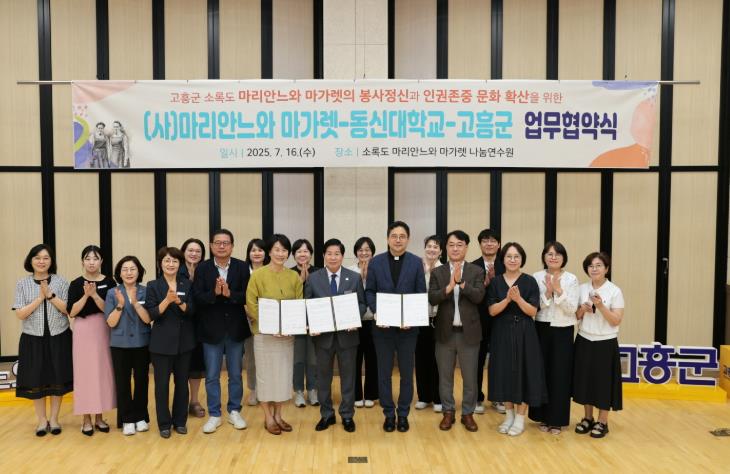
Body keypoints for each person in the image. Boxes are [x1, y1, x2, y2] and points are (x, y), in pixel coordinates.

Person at [365, 221, 427, 433]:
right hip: (382, 329)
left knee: (407, 374)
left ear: (408, 239)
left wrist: (413, 317)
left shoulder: (416, 262)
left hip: (408, 330)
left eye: (402, 236)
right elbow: (370, 291)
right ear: (387, 238)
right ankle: (388, 414)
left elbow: (420, 293)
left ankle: (403, 414)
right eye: (394, 236)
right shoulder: (375, 262)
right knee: (384, 373)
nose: (398, 240)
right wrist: (377, 312)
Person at [192, 229, 250, 434]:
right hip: (211, 330)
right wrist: (215, 293)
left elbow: (247, 295)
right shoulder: (203, 268)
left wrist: (229, 293)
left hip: (235, 329)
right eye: (218, 243)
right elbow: (197, 297)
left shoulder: (242, 267)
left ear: (232, 246)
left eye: (226, 243)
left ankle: (234, 411)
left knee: (235, 374)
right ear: (211, 246)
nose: (222, 246)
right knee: (212, 375)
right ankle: (214, 414)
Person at [306, 239, 367, 433]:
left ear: (342, 256)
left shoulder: (354, 278)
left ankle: (347, 415)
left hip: (347, 337)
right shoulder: (313, 278)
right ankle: (327, 414)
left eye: (337, 254)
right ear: (324, 256)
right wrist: (311, 324)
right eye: (329, 253)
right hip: (322, 337)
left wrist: (354, 318)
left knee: (348, 378)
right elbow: (307, 305)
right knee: (323, 379)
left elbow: (362, 304)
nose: (333, 257)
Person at [487, 242, 547, 436]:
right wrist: (507, 299)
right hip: (501, 331)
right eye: (509, 256)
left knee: (524, 371)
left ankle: (520, 418)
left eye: (516, 256)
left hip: (524, 331)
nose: (512, 260)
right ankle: (509, 416)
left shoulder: (529, 281)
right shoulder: (496, 282)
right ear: (503, 259)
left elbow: (532, 311)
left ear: (522, 259)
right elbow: (492, 311)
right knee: (504, 372)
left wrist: (519, 299)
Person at [428, 231, 485, 432]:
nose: (455, 248)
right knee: (445, 377)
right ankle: (448, 412)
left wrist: (462, 283)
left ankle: (468, 413)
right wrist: (450, 286)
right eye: (451, 245)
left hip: (469, 333)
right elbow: (432, 298)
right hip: (445, 333)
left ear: (466, 247)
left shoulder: (476, 271)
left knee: (470, 377)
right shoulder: (438, 272)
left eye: (459, 245)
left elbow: (479, 297)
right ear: (446, 248)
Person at [246, 234, 303, 435]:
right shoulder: (257, 275)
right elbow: (251, 304)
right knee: (265, 376)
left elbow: (298, 304)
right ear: (269, 252)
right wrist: (270, 326)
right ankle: (268, 417)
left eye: (284, 250)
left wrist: (288, 326)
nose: (281, 254)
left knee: (283, 375)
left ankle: (279, 415)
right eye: (277, 249)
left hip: (286, 336)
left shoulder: (294, 276)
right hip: (264, 334)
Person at [13, 244, 71, 436]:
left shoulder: (61, 282)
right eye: (37, 257)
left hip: (59, 337)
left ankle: (54, 419)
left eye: (46, 258)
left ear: (51, 261)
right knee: (36, 379)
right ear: (30, 261)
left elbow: (68, 310)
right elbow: (20, 314)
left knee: (57, 378)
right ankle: (41, 420)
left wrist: (50, 295)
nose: (41, 261)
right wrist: (40, 298)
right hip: (33, 339)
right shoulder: (22, 284)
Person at [529, 241, 579, 435]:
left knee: (560, 374)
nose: (553, 257)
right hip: (541, 327)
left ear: (563, 257)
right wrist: (548, 293)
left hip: (563, 329)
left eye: (557, 254)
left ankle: (557, 420)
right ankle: (542, 416)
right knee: (542, 372)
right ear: (544, 257)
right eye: (549, 254)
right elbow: (535, 307)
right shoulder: (536, 277)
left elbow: (572, 309)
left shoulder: (571, 279)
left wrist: (558, 290)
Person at [573, 252, 625, 439]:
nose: (594, 269)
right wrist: (583, 309)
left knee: (604, 383)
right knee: (585, 381)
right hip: (584, 339)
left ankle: (603, 421)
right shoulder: (581, 288)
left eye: (598, 265)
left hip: (606, 342)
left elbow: (616, 320)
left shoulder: (614, 291)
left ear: (606, 269)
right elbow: (575, 317)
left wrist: (601, 306)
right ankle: (588, 418)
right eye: (591, 266)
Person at [145, 247, 196, 438]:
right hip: (161, 344)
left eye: (175, 261)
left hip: (184, 343)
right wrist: (167, 300)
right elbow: (151, 314)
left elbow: (193, 310)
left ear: (179, 264)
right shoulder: (153, 285)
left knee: (182, 384)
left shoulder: (187, 284)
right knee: (162, 386)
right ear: (160, 264)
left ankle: (180, 421)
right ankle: (164, 424)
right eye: (167, 260)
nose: (171, 264)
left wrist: (180, 303)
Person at [67, 245, 116, 436]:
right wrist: (86, 295)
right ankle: (86, 419)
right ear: (82, 261)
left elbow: (110, 309)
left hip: (103, 328)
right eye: (87, 258)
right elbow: (72, 311)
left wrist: (94, 295)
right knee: (84, 373)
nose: (91, 262)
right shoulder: (76, 283)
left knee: (101, 372)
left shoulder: (109, 282)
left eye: (95, 258)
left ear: (101, 261)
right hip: (83, 328)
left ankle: (99, 417)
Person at [105, 256, 152, 436]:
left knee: (142, 381)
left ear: (139, 272)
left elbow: (148, 319)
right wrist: (120, 305)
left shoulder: (146, 291)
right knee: (122, 382)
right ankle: (127, 419)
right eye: (125, 269)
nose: (129, 272)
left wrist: (135, 303)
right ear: (119, 273)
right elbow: (110, 322)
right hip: (120, 345)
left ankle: (140, 417)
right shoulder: (112, 293)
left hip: (142, 343)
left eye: (133, 269)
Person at [471, 228, 505, 415]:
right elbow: (470, 296)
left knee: (499, 359)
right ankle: (477, 397)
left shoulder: (506, 265)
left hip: (500, 320)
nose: (489, 244)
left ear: (498, 245)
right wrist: (484, 284)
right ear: (480, 244)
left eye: (493, 241)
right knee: (477, 359)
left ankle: (498, 397)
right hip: (478, 320)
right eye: (485, 240)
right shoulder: (472, 266)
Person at [347, 237, 378, 409]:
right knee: (355, 359)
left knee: (373, 358)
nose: (364, 253)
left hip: (373, 321)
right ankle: (356, 394)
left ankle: (371, 394)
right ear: (356, 252)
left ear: (372, 252)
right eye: (360, 250)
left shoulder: (378, 269)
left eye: (367, 250)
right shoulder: (350, 271)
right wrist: (361, 278)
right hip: (354, 322)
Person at [290, 238, 320, 407]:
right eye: (299, 251)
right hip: (295, 322)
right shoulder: (288, 273)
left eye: (306, 251)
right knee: (298, 359)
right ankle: (299, 391)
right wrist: (300, 282)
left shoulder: (319, 272)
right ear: (294, 255)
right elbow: (288, 298)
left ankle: (313, 389)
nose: (302, 254)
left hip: (316, 322)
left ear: (311, 254)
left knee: (313, 358)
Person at [415, 235, 443, 412]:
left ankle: (438, 397)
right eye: (429, 246)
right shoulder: (417, 268)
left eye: (435, 247)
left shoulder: (444, 269)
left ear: (440, 251)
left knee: (438, 359)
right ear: (424, 248)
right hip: (420, 318)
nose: (432, 249)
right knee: (421, 358)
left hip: (439, 319)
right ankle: (423, 397)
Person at [180, 238, 206, 418]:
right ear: (183, 252)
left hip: (199, 324)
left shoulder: (206, 270)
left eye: (198, 251)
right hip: (180, 324)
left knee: (196, 365)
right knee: (181, 366)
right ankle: (181, 401)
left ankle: (194, 401)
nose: (194, 254)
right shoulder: (175, 269)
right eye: (190, 250)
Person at [243, 238, 269, 406]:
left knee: (268, 356)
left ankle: (267, 390)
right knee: (251, 356)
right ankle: (253, 389)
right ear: (249, 253)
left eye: (260, 250)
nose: (257, 253)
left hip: (269, 318)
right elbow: (240, 295)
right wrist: (250, 311)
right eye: (253, 250)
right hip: (248, 319)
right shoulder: (243, 271)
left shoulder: (271, 271)